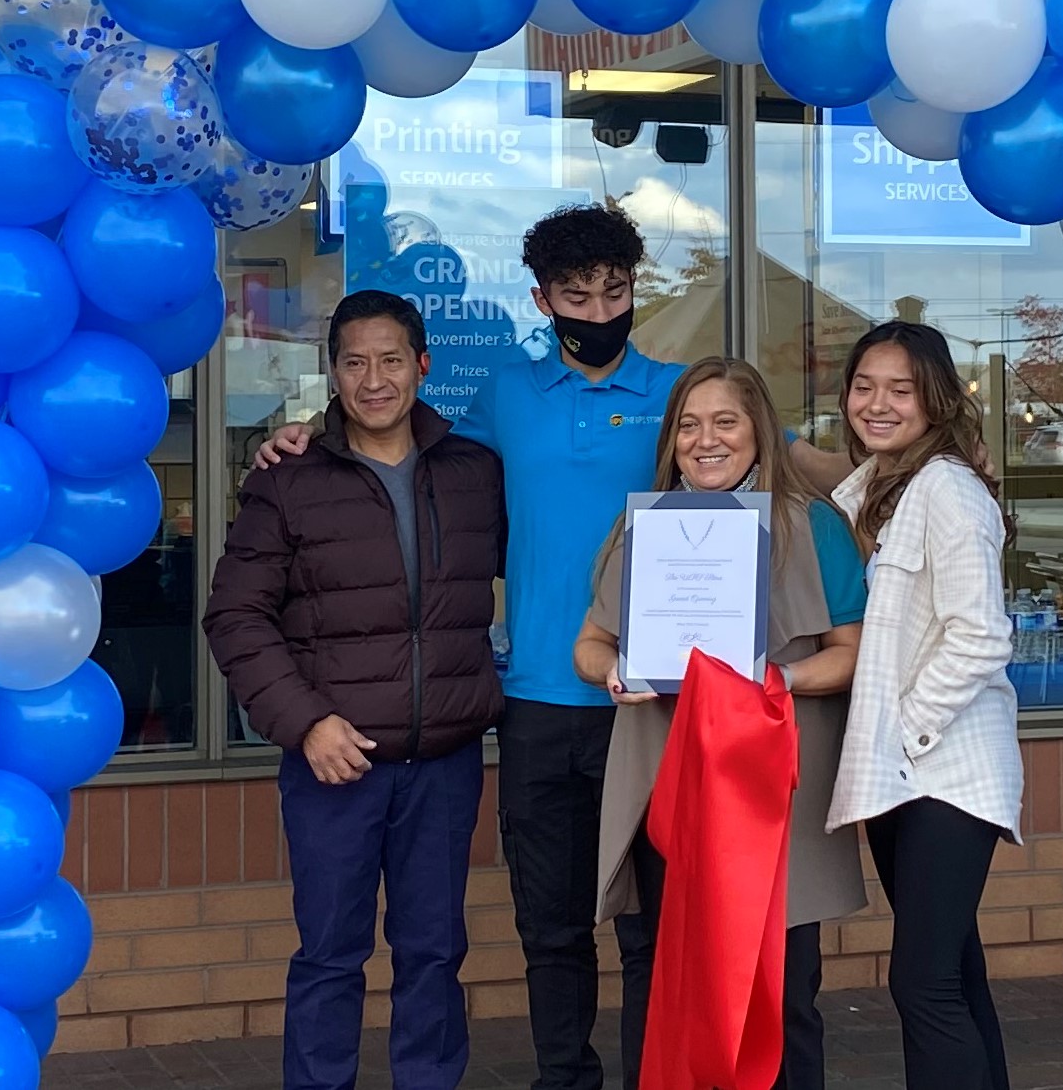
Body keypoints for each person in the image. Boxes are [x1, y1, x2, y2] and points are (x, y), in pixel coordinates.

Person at [255, 205, 854, 1090]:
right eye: (575, 294)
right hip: (540, 699)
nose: (597, 310)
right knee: (552, 926)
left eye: (614, 292)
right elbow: (405, 448)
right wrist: (303, 431)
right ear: (542, 300)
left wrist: (918, 470)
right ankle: (563, 1078)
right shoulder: (505, 395)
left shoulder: (684, 398)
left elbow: (803, 465)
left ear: (633, 292)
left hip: (660, 711)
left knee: (655, 929)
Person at [204, 290, 506, 1090]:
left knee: (435, 955)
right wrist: (306, 725)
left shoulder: (475, 473)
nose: (375, 379)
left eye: (392, 359)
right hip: (335, 764)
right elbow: (234, 614)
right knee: (331, 957)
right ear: (331, 373)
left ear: (422, 366)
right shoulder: (290, 479)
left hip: (444, 762)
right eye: (355, 362)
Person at [572, 358, 867, 1089]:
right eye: (689, 426)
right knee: (659, 978)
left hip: (768, 798)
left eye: (724, 422)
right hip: (664, 790)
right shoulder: (643, 524)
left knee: (779, 989)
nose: (706, 441)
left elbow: (851, 655)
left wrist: (777, 681)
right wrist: (609, 672)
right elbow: (589, 642)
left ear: (758, 431)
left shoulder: (812, 527)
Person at [825, 321, 1021, 1090]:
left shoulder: (948, 490)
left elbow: (981, 637)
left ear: (934, 399)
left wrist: (902, 733)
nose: (877, 403)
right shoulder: (874, 487)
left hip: (945, 772)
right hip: (902, 776)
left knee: (922, 983)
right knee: (954, 974)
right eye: (864, 386)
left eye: (900, 390)